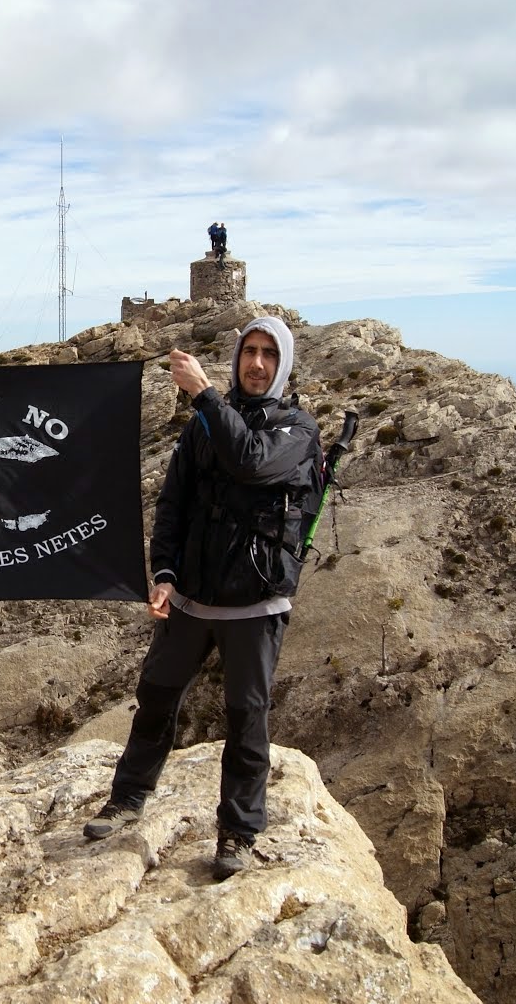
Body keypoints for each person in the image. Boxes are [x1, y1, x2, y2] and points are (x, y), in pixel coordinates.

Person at [84, 316, 321, 879]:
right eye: (249, 352)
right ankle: (128, 798)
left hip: (256, 605)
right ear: (238, 356)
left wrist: (204, 394)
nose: (256, 363)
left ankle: (238, 833)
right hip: (191, 599)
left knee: (247, 719)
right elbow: (173, 503)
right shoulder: (203, 427)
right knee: (157, 698)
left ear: (282, 364)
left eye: (268, 354)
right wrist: (163, 572)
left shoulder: (297, 430)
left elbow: (251, 461)